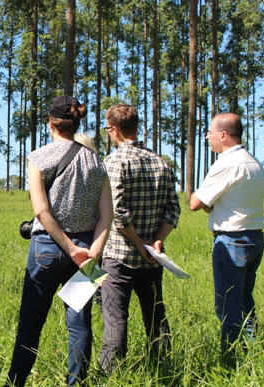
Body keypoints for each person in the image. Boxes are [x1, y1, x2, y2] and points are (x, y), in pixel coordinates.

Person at [7, 96, 113, 386]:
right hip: (87, 252)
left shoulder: (39, 157)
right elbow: (107, 215)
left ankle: (15, 383)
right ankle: (76, 383)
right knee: (79, 325)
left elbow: (41, 211)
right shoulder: (96, 161)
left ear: (51, 123)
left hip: (48, 249)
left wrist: (70, 248)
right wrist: (91, 251)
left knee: (31, 321)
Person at [98, 104, 181, 373]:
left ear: (115, 130)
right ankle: (164, 368)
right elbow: (173, 209)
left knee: (115, 321)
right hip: (153, 259)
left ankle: (112, 375)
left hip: (119, 257)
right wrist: (155, 241)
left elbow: (119, 215)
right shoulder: (161, 163)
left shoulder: (113, 162)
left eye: (108, 129)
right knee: (156, 317)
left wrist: (138, 243)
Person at [190, 113, 264, 366]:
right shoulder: (253, 162)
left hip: (231, 242)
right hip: (254, 238)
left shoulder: (226, 163)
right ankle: (253, 355)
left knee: (228, 306)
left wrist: (202, 200)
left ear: (223, 135)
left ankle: (231, 361)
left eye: (210, 132)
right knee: (245, 300)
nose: (207, 137)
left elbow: (195, 202)